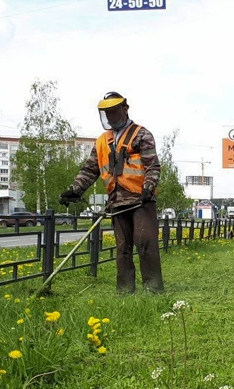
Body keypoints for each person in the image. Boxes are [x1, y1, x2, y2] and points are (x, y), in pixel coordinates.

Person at [59, 92, 164, 294]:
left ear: (125, 109)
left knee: (145, 244)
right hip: (117, 202)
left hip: (141, 200)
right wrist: (75, 189)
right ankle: (124, 291)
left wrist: (148, 187)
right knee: (122, 249)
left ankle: (154, 291)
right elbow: (90, 169)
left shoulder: (141, 135)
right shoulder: (101, 142)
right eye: (107, 113)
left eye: (114, 112)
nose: (111, 117)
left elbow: (153, 166)